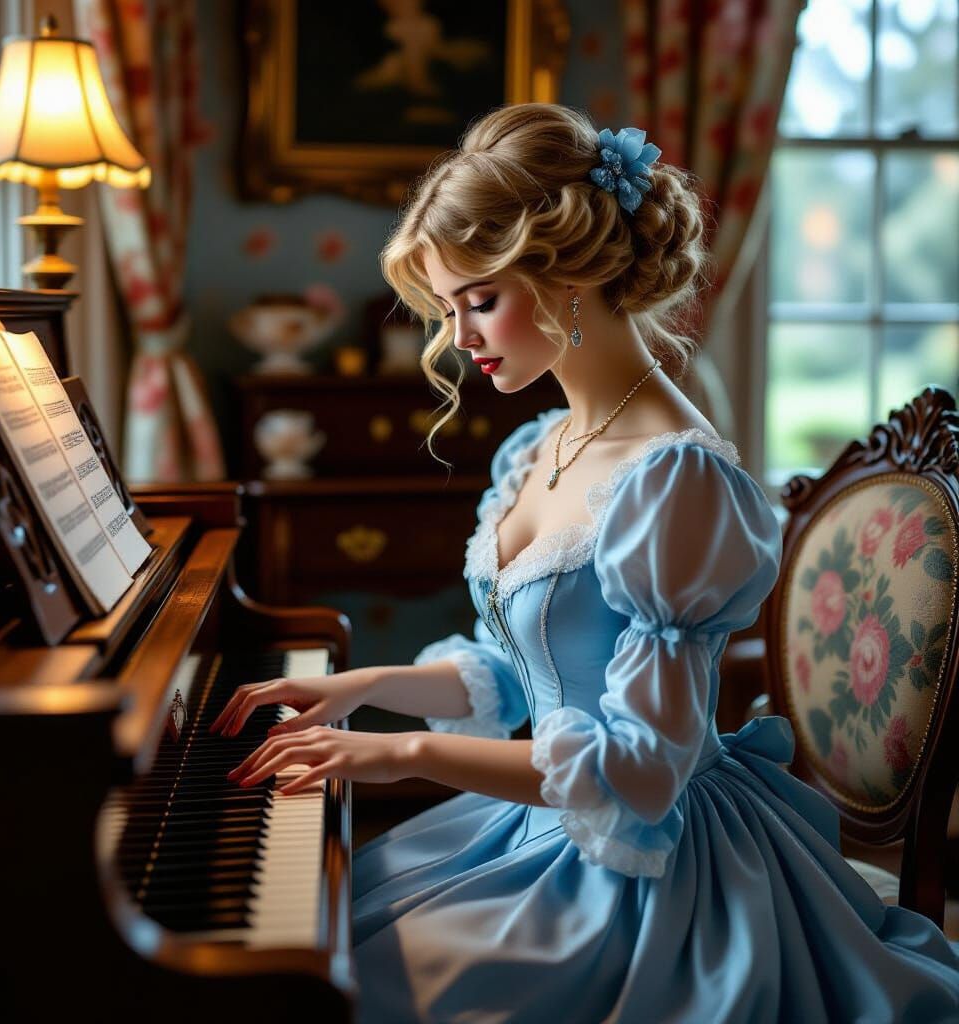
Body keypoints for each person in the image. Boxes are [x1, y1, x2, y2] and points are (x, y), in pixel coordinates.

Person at [212, 104, 959, 1022]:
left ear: (567, 275)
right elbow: (529, 671)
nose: (457, 338)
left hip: (646, 864)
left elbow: (640, 769)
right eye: (447, 308)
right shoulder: (543, 443)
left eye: (478, 301)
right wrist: (358, 687)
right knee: (338, 929)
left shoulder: (675, 479)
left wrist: (395, 752)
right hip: (545, 816)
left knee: (368, 983)